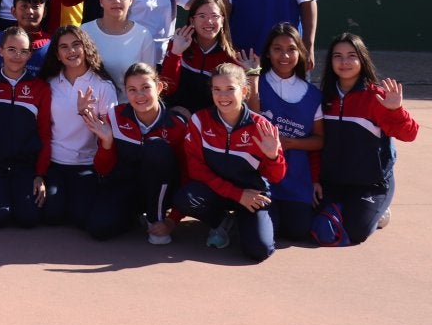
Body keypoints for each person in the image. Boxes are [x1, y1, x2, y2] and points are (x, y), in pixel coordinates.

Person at [174, 64, 285, 261]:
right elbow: (196, 170)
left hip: (252, 196)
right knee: (185, 197)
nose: (223, 96)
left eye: (230, 89)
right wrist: (236, 194)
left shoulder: (261, 126)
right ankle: (224, 221)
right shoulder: (200, 121)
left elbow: (276, 176)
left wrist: (272, 157)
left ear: (243, 91)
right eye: (217, 89)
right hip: (219, 192)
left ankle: (262, 216)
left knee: (259, 250)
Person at [315, 33, 418, 246]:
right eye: (338, 56)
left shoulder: (376, 97)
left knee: (356, 231)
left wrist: (396, 110)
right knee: (309, 224)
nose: (344, 62)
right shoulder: (324, 97)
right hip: (334, 181)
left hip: (371, 184)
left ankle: (379, 210)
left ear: (362, 59)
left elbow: (409, 134)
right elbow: (315, 142)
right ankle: (345, 206)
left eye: (351, 55)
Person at [80, 63, 188, 244]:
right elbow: (103, 169)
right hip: (128, 188)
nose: (139, 95)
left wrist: (172, 220)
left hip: (163, 192)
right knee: (99, 228)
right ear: (126, 91)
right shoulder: (115, 116)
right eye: (132, 89)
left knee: (156, 148)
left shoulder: (177, 125)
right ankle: (135, 216)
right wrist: (107, 143)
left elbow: (187, 174)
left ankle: (156, 218)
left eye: (146, 88)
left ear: (159, 87)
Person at [0, 26, 53, 229]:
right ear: (0, 51)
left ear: (30, 54)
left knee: (28, 219)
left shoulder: (41, 88)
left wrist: (40, 174)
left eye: (24, 51)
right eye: (12, 49)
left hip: (25, 166)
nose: (17, 56)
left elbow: (45, 134)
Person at [247, 23, 323, 242]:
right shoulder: (257, 83)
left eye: (291, 49)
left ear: (300, 53)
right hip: (263, 177)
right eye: (277, 49)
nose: (285, 55)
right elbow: (252, 120)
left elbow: (320, 140)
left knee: (298, 231)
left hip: (296, 176)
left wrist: (290, 143)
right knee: (266, 233)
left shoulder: (312, 94)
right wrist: (253, 80)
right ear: (268, 53)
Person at [39, 25, 117, 228]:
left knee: (81, 217)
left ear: (86, 47)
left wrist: (87, 115)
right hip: (55, 164)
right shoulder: (50, 83)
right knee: (51, 214)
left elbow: (108, 133)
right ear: (57, 54)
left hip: (86, 165)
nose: (71, 51)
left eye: (76, 45)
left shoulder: (103, 86)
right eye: (64, 47)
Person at [159, 0, 238, 116]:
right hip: (176, 117)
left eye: (215, 16)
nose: (209, 21)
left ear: (222, 20)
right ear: (192, 20)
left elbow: (231, 102)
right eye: (202, 16)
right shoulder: (178, 43)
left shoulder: (230, 56)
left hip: (211, 122)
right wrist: (176, 53)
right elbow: (166, 89)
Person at [81, 0, 155, 90]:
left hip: (130, 106)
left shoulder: (143, 35)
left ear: (131, 0)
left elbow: (149, 81)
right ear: (101, 1)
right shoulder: (84, 31)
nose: (116, 1)